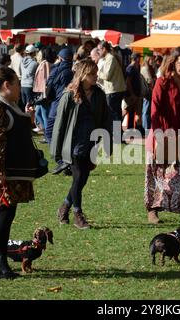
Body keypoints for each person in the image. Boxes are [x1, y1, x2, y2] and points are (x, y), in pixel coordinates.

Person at [0, 66, 37, 279]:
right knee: (2, 216)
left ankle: (1, 263)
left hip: (10, 172)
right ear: (6, 85)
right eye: (17, 83)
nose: (20, 88)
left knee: (7, 215)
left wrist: (28, 119)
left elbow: (15, 134)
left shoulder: (8, 105)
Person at [51, 59, 112, 229]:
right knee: (78, 178)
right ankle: (78, 214)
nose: (95, 76)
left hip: (91, 142)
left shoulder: (98, 94)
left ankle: (64, 206)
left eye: (96, 73)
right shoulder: (69, 94)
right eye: (92, 74)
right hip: (74, 145)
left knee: (83, 179)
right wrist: (58, 152)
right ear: (82, 75)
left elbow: (106, 118)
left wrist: (106, 142)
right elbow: (60, 124)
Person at [145, 46, 180, 224]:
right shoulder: (162, 82)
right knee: (157, 175)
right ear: (173, 62)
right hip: (163, 136)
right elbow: (154, 110)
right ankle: (153, 210)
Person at [44, 47, 74, 148]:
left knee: (49, 131)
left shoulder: (56, 70)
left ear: (60, 59)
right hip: (69, 104)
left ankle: (58, 155)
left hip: (56, 104)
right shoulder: (72, 71)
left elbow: (49, 87)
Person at [98, 41, 126, 138]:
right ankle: (118, 136)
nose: (98, 52)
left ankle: (118, 136)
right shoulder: (110, 58)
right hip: (115, 89)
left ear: (104, 49)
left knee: (114, 114)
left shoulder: (110, 58)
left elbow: (107, 76)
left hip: (113, 90)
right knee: (116, 114)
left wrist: (96, 72)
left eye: (99, 50)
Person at [32, 47, 56, 135]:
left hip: (44, 93)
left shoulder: (45, 64)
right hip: (45, 93)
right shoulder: (50, 63)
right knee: (39, 113)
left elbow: (45, 79)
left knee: (44, 115)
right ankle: (47, 132)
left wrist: (44, 93)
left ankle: (48, 134)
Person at [20, 44, 39, 111]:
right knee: (30, 107)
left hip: (22, 85)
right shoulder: (35, 63)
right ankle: (30, 121)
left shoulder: (21, 61)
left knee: (24, 107)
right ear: (33, 53)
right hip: (30, 86)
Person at [141, 55, 156, 131]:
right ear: (148, 60)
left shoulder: (151, 68)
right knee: (146, 109)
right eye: (151, 60)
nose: (153, 61)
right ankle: (146, 127)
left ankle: (147, 126)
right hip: (147, 91)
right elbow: (150, 80)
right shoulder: (145, 68)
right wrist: (153, 80)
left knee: (148, 109)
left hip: (150, 91)